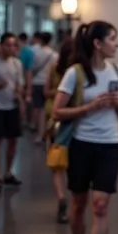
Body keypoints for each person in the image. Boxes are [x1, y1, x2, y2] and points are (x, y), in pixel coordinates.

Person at [53, 21, 118, 234]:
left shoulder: (117, 72)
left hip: (108, 146)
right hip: (80, 144)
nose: (117, 44)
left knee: (100, 205)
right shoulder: (75, 74)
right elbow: (56, 112)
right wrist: (89, 107)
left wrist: (116, 104)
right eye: (112, 39)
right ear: (98, 44)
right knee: (79, 204)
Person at [45, 36, 74, 223]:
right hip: (69, 120)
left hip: (54, 120)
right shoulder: (78, 73)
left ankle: (61, 197)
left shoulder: (55, 69)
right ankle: (67, 199)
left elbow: (46, 92)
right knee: (68, 163)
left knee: (57, 165)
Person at [0, 32, 24, 191]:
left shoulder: (17, 63)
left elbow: (20, 83)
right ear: (1, 45)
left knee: (13, 141)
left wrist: (19, 95)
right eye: (8, 45)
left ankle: (8, 173)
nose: (11, 48)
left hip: (12, 106)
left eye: (13, 45)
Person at [32, 31, 57, 144]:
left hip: (37, 82)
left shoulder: (36, 52)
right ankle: (46, 133)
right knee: (46, 110)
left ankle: (38, 132)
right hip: (49, 84)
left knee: (38, 107)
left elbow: (32, 67)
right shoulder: (54, 54)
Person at [18, 32, 34, 121]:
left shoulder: (22, 52)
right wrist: (29, 90)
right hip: (22, 83)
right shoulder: (28, 52)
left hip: (19, 84)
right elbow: (29, 73)